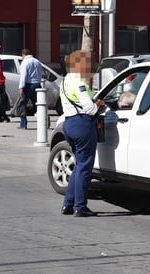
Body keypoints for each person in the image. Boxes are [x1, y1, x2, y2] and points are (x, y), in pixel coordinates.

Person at [60, 50, 105, 217]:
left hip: (69, 124)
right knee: (85, 168)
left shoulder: (65, 80)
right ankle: (80, 207)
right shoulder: (79, 81)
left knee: (79, 166)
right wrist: (98, 104)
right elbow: (89, 108)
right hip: (83, 124)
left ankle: (68, 204)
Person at [18, 48, 42, 129]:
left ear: (23, 54)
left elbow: (23, 75)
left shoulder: (25, 62)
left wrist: (21, 86)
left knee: (22, 104)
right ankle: (44, 122)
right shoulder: (37, 61)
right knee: (39, 105)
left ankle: (23, 124)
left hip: (28, 85)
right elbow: (40, 73)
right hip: (37, 84)